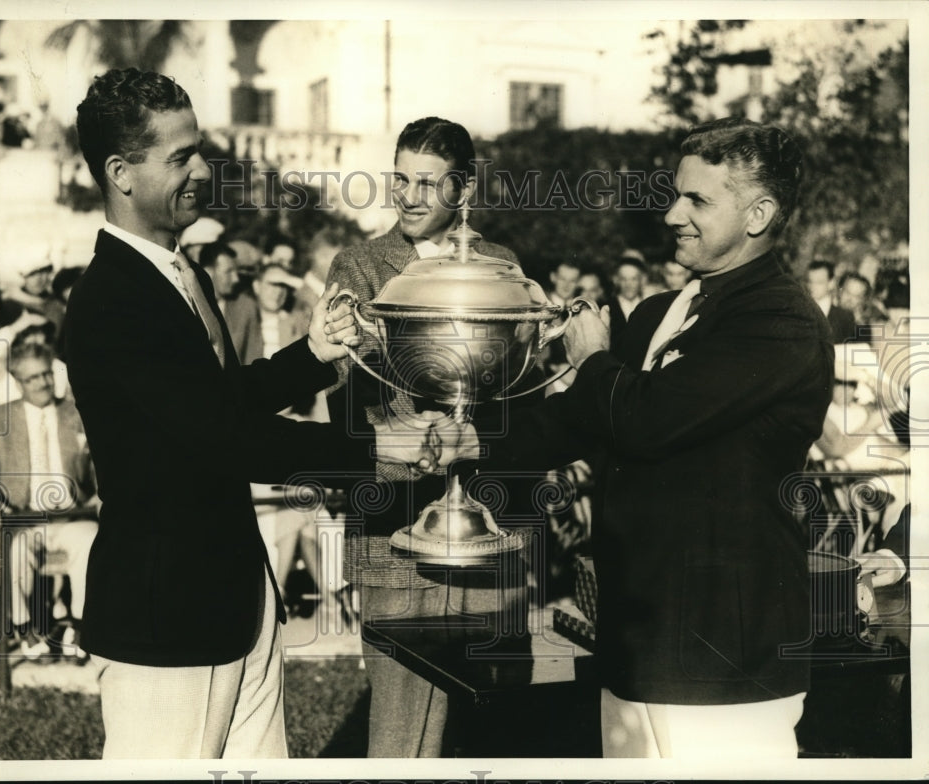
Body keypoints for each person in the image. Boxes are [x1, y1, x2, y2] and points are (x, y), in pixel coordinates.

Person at [62, 67, 431, 760]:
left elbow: (218, 400)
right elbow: (225, 437)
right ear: (120, 172)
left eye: (197, 149)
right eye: (179, 158)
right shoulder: (109, 300)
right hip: (166, 622)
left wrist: (312, 355)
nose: (202, 170)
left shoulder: (181, 272)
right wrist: (378, 450)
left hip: (239, 598)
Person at [435, 117, 833, 759]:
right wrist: (468, 439)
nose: (673, 213)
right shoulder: (659, 311)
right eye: (676, 193)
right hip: (636, 636)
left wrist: (593, 361)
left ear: (758, 214)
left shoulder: (781, 320)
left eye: (698, 199)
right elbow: (572, 422)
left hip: (723, 657)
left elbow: (647, 419)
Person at [324, 116, 536, 758]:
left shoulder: (502, 266)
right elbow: (346, 403)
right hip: (398, 533)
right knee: (403, 735)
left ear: (462, 190)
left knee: (491, 730)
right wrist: (412, 445)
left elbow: (523, 396)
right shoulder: (360, 267)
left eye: (426, 183)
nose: (408, 197)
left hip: (489, 530)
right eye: (400, 180)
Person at [0, 342, 99, 659]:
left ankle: (79, 625)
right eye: (32, 378)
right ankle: (27, 630)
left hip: (71, 516)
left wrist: (104, 494)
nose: (42, 383)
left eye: (46, 375)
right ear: (17, 380)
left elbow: (101, 464)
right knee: (14, 549)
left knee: (90, 541)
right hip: (22, 518)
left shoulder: (77, 414)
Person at [806, 260, 856, 343]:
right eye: (810, 281)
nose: (812, 286)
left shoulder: (845, 317)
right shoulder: (798, 311)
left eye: (819, 282)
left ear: (831, 283)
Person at [606, 253, 647, 350]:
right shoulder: (606, 307)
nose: (629, 284)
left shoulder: (649, 306)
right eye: (624, 279)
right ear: (616, 280)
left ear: (642, 280)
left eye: (634, 279)